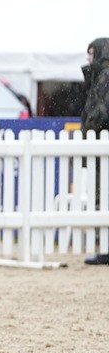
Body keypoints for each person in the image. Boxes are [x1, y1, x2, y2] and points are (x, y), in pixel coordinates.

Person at [81, 37, 109, 265]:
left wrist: (88, 133)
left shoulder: (105, 76)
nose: (88, 58)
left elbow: (98, 113)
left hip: (103, 147)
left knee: (104, 198)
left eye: (91, 53)